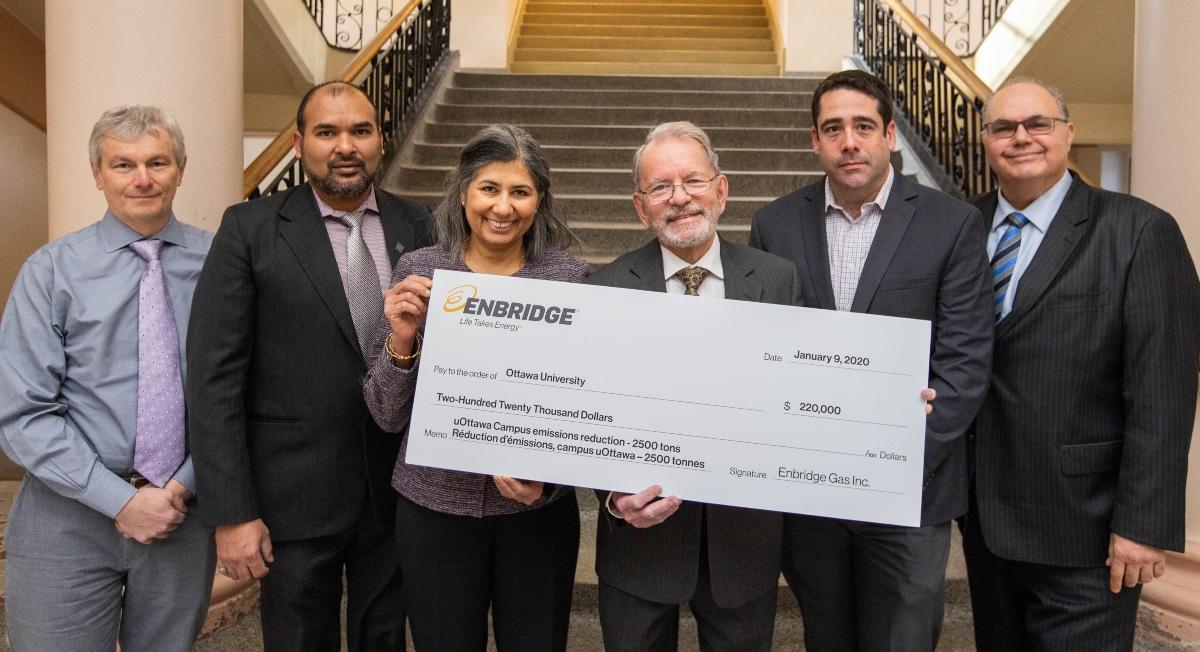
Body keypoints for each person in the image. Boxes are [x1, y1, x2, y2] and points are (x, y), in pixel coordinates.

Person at [749, 69, 994, 651]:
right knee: (825, 634)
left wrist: (900, 457)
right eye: (833, 128)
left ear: (888, 134)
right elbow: (759, 349)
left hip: (910, 485)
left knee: (903, 638)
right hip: (811, 488)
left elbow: (964, 362)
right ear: (815, 140)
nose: (849, 141)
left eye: (863, 126)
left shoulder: (952, 223)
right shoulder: (774, 224)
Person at [187, 81, 430, 651]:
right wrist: (232, 512)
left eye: (360, 131)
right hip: (290, 500)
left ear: (380, 140)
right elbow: (213, 378)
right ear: (299, 143)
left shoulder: (420, 226)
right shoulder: (249, 229)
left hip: (399, 491)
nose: (345, 145)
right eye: (327, 132)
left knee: (386, 639)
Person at [962, 78, 1200, 651]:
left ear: (1068, 133)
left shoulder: (1140, 231)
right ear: (986, 141)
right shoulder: (959, 229)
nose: (1021, 138)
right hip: (983, 518)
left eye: (1037, 124)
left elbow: (1163, 392)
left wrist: (1142, 527)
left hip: (1087, 528)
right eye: (1003, 127)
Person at [361, 123, 586, 650]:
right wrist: (401, 339)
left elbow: (580, 409)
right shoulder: (419, 272)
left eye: (520, 191)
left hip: (535, 515)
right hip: (433, 511)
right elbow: (386, 415)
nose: (502, 207)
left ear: (539, 202)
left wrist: (547, 480)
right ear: (463, 193)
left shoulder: (570, 280)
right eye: (489, 188)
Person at [0, 105, 214, 650]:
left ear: (181, 168)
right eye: (123, 165)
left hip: (181, 512)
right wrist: (119, 500)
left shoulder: (223, 264)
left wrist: (179, 487)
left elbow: (239, 392)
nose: (142, 179)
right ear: (97, 174)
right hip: (66, 512)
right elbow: (23, 412)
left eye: (157, 162)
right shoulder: (51, 271)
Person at [585, 121, 803, 651]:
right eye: (660, 187)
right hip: (640, 545)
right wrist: (613, 498)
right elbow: (588, 413)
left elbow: (798, 393)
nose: (679, 198)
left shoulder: (778, 280)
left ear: (721, 190)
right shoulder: (604, 288)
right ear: (641, 207)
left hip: (744, 544)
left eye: (693, 182)